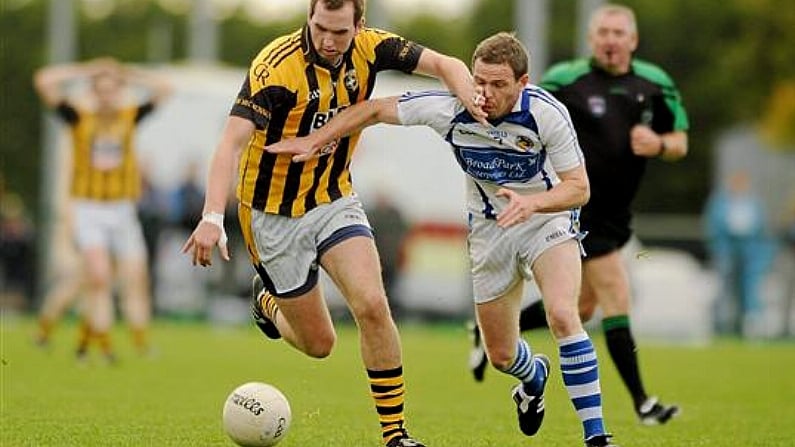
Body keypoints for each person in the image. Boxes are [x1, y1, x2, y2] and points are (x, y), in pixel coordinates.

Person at [264, 31, 618, 447]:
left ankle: (596, 436)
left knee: (562, 315)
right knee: (501, 354)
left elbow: (578, 188)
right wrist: (315, 139)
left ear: (523, 83)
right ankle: (532, 376)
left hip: (546, 221)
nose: (484, 93)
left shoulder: (546, 114)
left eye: (498, 84)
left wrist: (533, 205)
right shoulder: (451, 108)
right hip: (490, 230)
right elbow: (375, 110)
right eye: (479, 81)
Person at [180, 1, 486, 446]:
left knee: (372, 305)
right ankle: (266, 303)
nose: (327, 40)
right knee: (318, 345)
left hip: (333, 199)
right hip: (272, 216)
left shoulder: (373, 47)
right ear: (309, 17)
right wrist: (211, 217)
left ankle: (395, 435)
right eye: (320, 27)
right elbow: (230, 143)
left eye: (340, 32)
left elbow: (445, 63)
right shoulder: (275, 68)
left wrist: (470, 96)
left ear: (358, 25)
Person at [468, 4, 689, 426]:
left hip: (615, 212)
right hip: (569, 206)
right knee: (610, 296)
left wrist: (658, 144)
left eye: (618, 33)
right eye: (603, 31)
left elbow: (680, 141)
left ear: (633, 40)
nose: (610, 39)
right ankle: (640, 402)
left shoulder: (654, 84)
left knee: (581, 307)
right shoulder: (566, 79)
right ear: (592, 38)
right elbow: (520, 105)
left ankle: (496, 330)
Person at [33, 57, 172, 360]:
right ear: (94, 92)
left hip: (122, 209)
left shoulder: (129, 116)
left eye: (113, 90)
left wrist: (126, 72)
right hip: (88, 209)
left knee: (132, 277)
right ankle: (96, 343)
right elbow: (44, 80)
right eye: (101, 90)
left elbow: (165, 88)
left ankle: (131, 342)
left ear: (119, 91)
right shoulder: (78, 117)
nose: (107, 96)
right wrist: (88, 69)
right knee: (94, 276)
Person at [704, 169, 773, 336]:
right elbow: (712, 226)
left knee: (748, 288)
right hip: (727, 248)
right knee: (724, 287)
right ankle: (721, 324)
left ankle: (745, 325)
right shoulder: (719, 202)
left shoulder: (754, 203)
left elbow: (761, 228)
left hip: (749, 249)